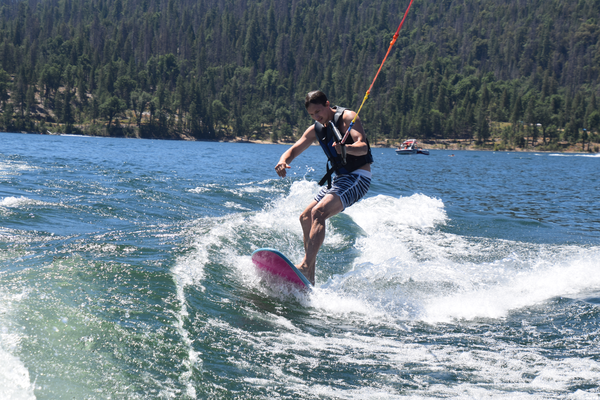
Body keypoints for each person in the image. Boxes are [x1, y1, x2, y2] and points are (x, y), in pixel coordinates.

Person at [274, 90, 373, 285]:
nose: (316, 117)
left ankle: (305, 266)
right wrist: (283, 161)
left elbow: (363, 146)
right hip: (340, 180)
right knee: (305, 217)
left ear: (327, 104)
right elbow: (294, 149)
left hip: (358, 178)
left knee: (318, 212)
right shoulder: (316, 129)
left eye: (318, 112)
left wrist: (346, 148)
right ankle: (309, 277)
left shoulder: (348, 117)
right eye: (312, 114)